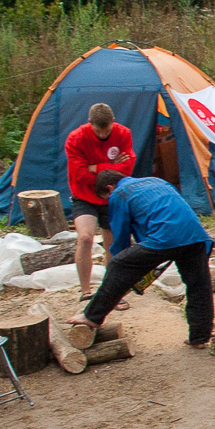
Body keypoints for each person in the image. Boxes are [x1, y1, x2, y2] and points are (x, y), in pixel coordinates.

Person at [67, 171, 215, 349]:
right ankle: (200, 337)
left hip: (165, 236)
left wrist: (123, 271)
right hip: (195, 235)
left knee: (117, 264)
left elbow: (121, 237)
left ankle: (92, 316)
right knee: (199, 286)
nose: (108, 201)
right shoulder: (156, 180)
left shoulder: (119, 194)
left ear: (109, 188)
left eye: (105, 197)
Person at [65, 103, 136, 308]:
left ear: (113, 123)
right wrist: (111, 169)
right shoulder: (76, 138)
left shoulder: (123, 133)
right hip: (84, 196)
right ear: (90, 125)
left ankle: (112, 291)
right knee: (85, 237)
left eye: (107, 131)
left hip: (111, 196)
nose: (104, 135)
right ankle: (86, 291)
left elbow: (127, 168)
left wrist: (95, 167)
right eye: (99, 131)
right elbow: (79, 175)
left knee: (112, 244)